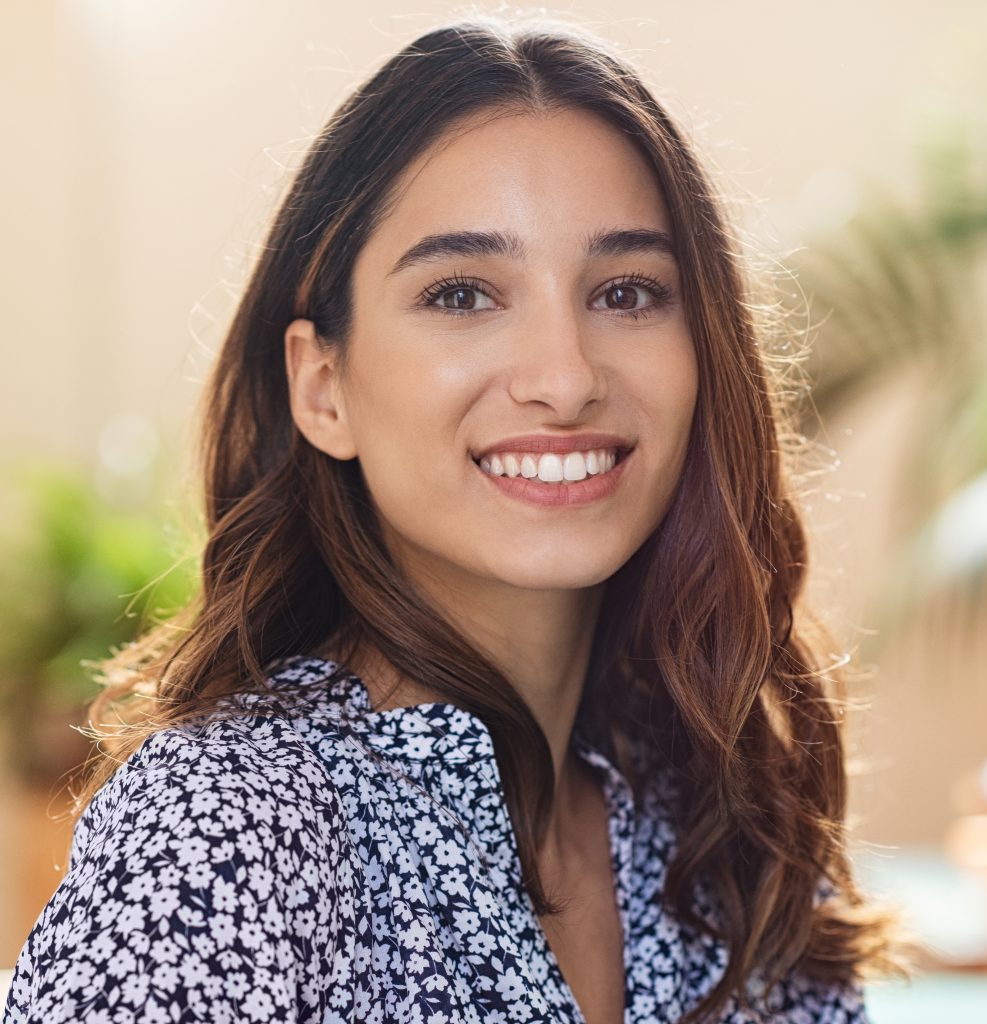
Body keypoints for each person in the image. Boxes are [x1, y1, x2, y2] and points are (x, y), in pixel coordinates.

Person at [3, 15, 902, 1024]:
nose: (564, 378)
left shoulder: (726, 825)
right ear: (323, 384)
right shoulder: (227, 828)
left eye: (625, 291)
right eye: (463, 292)